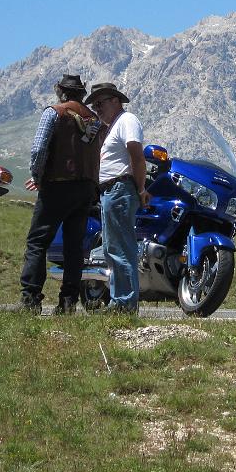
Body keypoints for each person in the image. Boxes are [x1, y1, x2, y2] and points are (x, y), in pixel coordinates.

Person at [19, 74, 104, 314]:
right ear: (81, 93)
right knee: (74, 247)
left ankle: (30, 299)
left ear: (61, 91)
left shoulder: (53, 113)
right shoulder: (94, 119)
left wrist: (38, 177)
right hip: (85, 188)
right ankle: (68, 303)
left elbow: (38, 149)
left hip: (56, 186)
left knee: (37, 242)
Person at [84, 82, 150, 313]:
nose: (97, 109)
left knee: (120, 248)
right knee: (113, 247)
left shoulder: (127, 120)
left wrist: (140, 189)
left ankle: (124, 303)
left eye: (100, 103)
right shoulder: (113, 126)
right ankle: (120, 300)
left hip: (120, 189)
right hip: (111, 192)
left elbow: (137, 156)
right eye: (94, 106)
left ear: (115, 101)